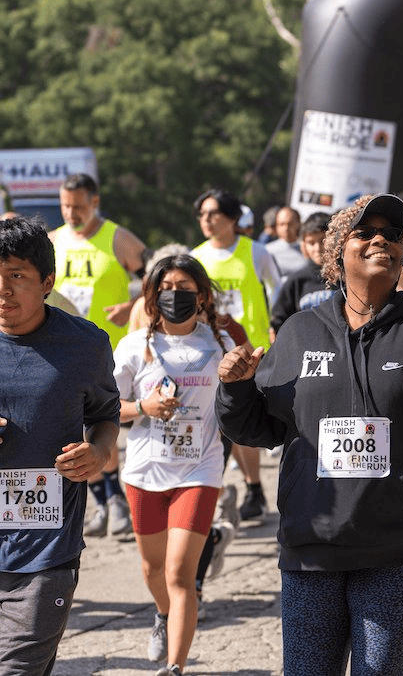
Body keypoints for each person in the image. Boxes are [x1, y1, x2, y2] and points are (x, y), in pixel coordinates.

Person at [215, 193, 403, 676]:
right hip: (311, 547)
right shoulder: (298, 333)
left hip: (400, 550)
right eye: (365, 232)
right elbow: (259, 427)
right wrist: (233, 389)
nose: (381, 239)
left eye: (392, 235)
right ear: (338, 254)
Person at [0, 216, 121, 675]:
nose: (3, 289)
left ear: (47, 281)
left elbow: (105, 416)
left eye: (17, 276)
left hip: (47, 548)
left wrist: (100, 452)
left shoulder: (86, 345)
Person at [114, 254, 234, 676]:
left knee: (180, 573)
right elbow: (108, 407)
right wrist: (143, 406)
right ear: (152, 294)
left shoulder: (219, 345)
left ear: (201, 296)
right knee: (153, 569)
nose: (175, 296)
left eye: (184, 289)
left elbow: (236, 405)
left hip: (199, 471)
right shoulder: (134, 347)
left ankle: (175, 668)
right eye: (166, 289)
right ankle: (163, 615)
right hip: (145, 472)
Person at [51, 172, 145, 538]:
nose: (71, 213)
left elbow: (155, 276)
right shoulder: (53, 241)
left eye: (78, 206)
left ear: (95, 202)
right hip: (61, 350)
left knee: (103, 423)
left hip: (109, 349)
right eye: (65, 206)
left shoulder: (117, 237)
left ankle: (116, 498)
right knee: (75, 427)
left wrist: (133, 304)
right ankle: (103, 501)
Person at [191, 188, 281, 522]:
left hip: (251, 351)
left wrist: (278, 327)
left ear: (231, 218)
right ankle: (219, 490)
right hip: (209, 352)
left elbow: (278, 290)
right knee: (215, 424)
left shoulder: (256, 252)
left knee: (244, 422)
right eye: (201, 214)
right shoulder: (196, 257)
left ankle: (254, 487)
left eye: (213, 213)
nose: (207, 220)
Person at [269, 211, 336, 335]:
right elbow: (279, 320)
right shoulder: (297, 281)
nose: (317, 248)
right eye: (311, 243)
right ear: (303, 245)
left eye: (322, 241)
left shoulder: (346, 277)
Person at [265, 206, 310, 282]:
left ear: (298, 224)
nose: (286, 228)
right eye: (282, 224)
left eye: (290, 224)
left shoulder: (309, 250)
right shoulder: (266, 251)